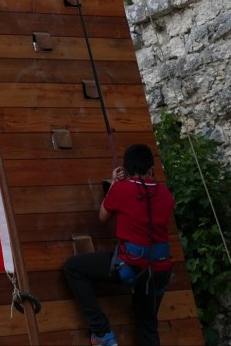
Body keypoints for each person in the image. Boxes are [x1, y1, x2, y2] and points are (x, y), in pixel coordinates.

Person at [63, 144, 175, 346]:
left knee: (73, 268)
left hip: (130, 266)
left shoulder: (122, 189)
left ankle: (102, 333)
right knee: (148, 324)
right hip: (159, 271)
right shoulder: (166, 194)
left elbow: (103, 216)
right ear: (151, 168)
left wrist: (115, 183)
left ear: (127, 169)